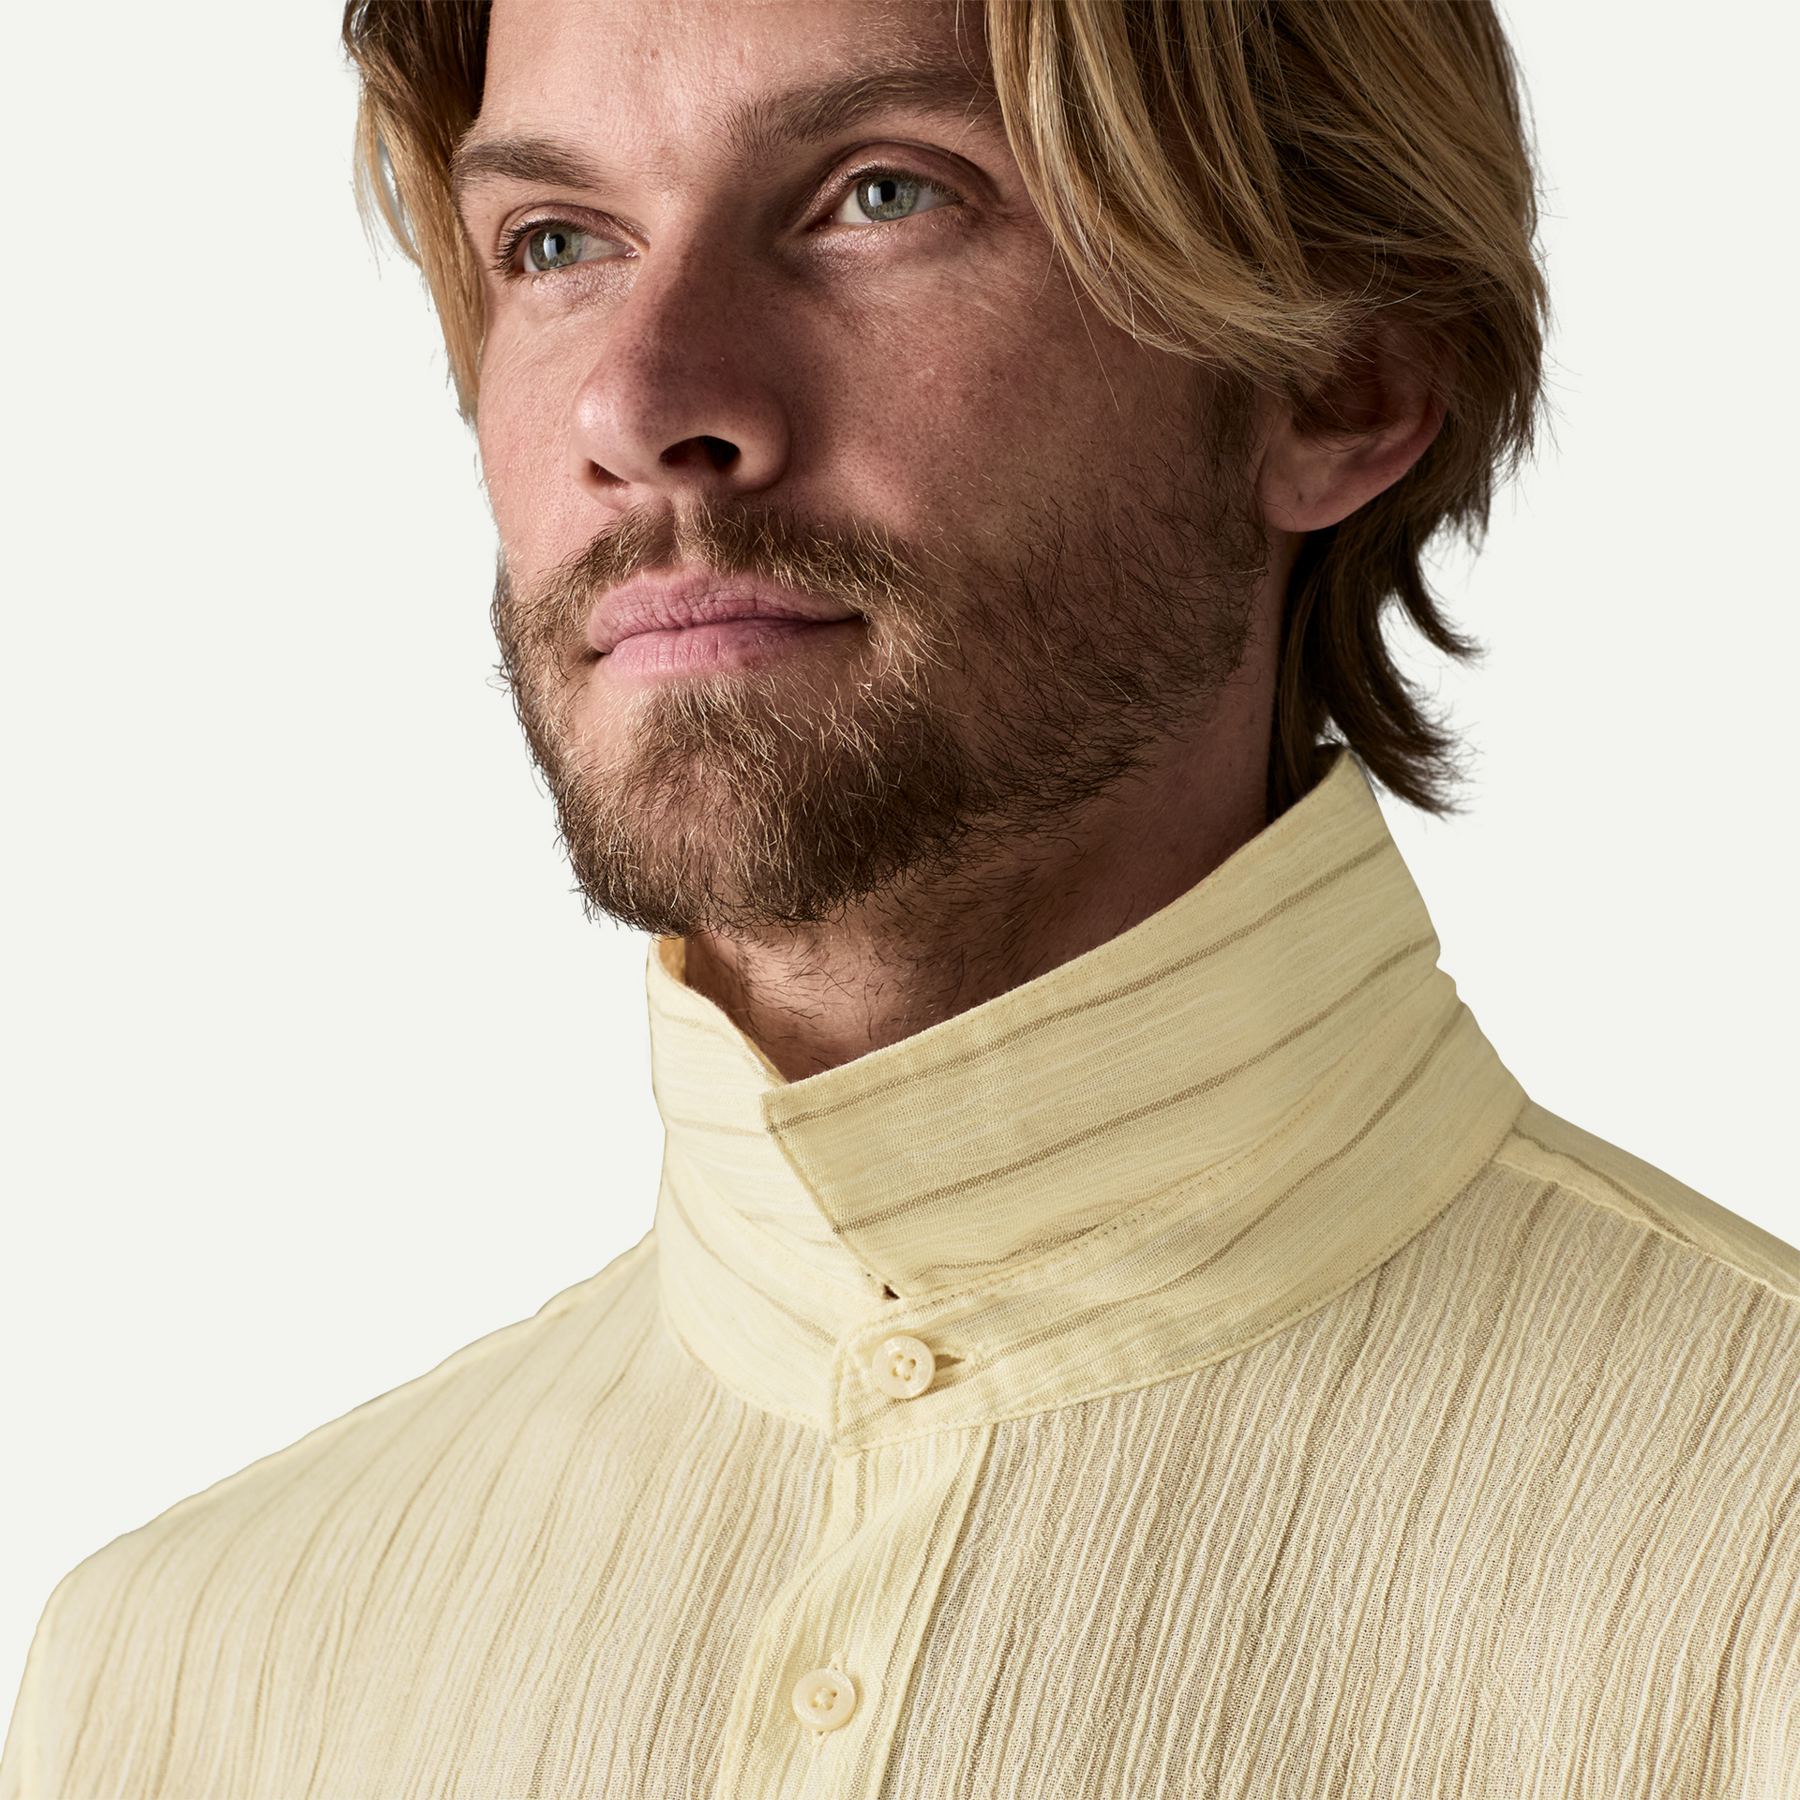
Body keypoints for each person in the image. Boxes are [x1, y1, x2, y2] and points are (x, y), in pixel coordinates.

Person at [3, 0, 1794, 1795]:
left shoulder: (1756, 1571)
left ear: (1346, 377)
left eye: (882, 195)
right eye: (556, 243)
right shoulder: (179, 1681)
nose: (639, 405)